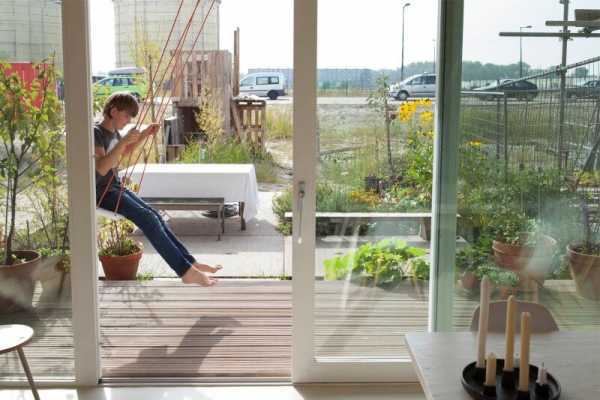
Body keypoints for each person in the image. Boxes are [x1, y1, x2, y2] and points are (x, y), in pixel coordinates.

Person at [94, 92, 220, 286]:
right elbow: (101, 167)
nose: (128, 121)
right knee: (148, 220)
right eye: (127, 116)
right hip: (102, 193)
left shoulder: (114, 134)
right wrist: (124, 140)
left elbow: (120, 154)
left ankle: (190, 263)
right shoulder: (97, 133)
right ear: (113, 111)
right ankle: (185, 271)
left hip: (114, 187)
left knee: (155, 215)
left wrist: (143, 135)